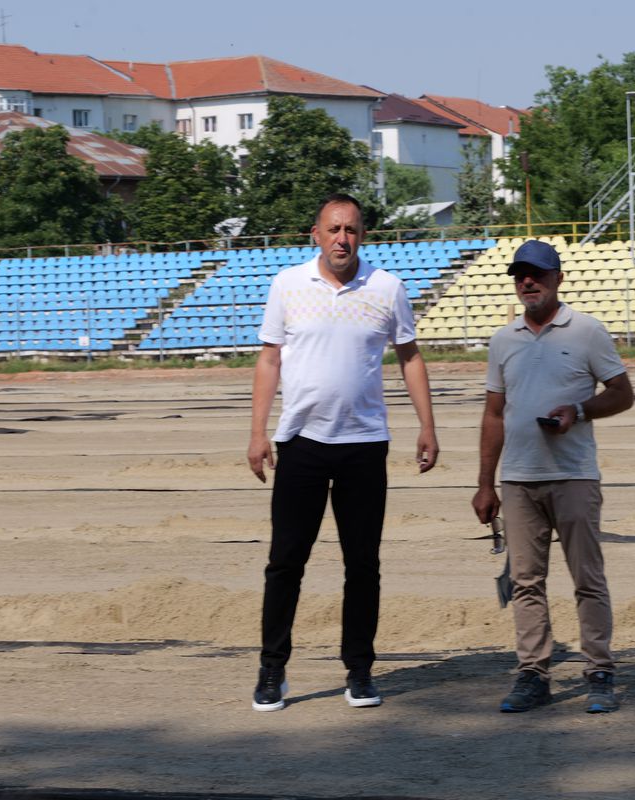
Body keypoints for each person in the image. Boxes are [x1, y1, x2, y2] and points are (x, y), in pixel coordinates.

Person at [247, 193, 439, 712]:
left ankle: (359, 670)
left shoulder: (386, 288)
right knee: (286, 562)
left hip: (364, 445)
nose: (342, 239)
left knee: (363, 564)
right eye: (333, 229)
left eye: (351, 230)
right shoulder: (287, 285)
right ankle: (272, 670)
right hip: (301, 443)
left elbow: (410, 356)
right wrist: (258, 432)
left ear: (362, 235)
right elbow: (269, 360)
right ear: (316, 234)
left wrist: (427, 425)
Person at [471, 239, 634, 714]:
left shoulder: (586, 332)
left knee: (587, 578)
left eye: (537, 273)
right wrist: (486, 484)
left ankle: (599, 671)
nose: (528, 281)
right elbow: (494, 415)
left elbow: (623, 394)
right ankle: (532, 675)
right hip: (518, 481)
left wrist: (579, 411)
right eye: (521, 274)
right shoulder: (503, 341)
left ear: (558, 278)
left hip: (574, 476)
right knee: (525, 582)